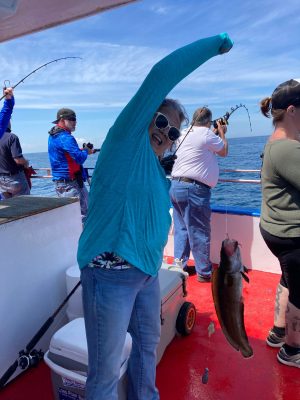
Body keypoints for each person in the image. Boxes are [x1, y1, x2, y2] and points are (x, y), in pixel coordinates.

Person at [77, 33, 233, 400]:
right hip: (109, 275)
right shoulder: (125, 140)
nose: (165, 131)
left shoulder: (157, 167)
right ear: (147, 115)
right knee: (104, 374)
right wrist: (216, 45)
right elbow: (161, 73)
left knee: (147, 350)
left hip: (146, 275)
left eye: (174, 130)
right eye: (161, 120)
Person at [260, 78, 300, 368]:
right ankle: (292, 351)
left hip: (275, 229)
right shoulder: (287, 149)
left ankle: (278, 331)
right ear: (292, 111)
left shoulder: (277, 144)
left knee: (289, 280)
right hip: (292, 234)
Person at [170, 106, 228, 282]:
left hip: (176, 186)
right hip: (194, 190)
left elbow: (201, 148)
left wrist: (214, 131)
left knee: (181, 229)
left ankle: (179, 266)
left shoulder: (183, 133)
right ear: (208, 122)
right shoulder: (206, 134)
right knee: (199, 231)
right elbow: (224, 151)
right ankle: (204, 272)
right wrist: (222, 132)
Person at [48, 108, 94, 223]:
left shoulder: (53, 135)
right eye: (72, 119)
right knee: (82, 217)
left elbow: (65, 153)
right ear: (62, 120)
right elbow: (79, 158)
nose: (75, 122)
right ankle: (83, 241)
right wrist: (86, 152)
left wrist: (82, 150)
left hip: (63, 184)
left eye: (75, 119)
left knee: (74, 218)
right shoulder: (65, 137)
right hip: (70, 184)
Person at [0, 120, 30, 198]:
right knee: (24, 204)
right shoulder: (12, 137)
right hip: (15, 179)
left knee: (9, 206)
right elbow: (18, 160)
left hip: (1, 181)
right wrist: (26, 162)